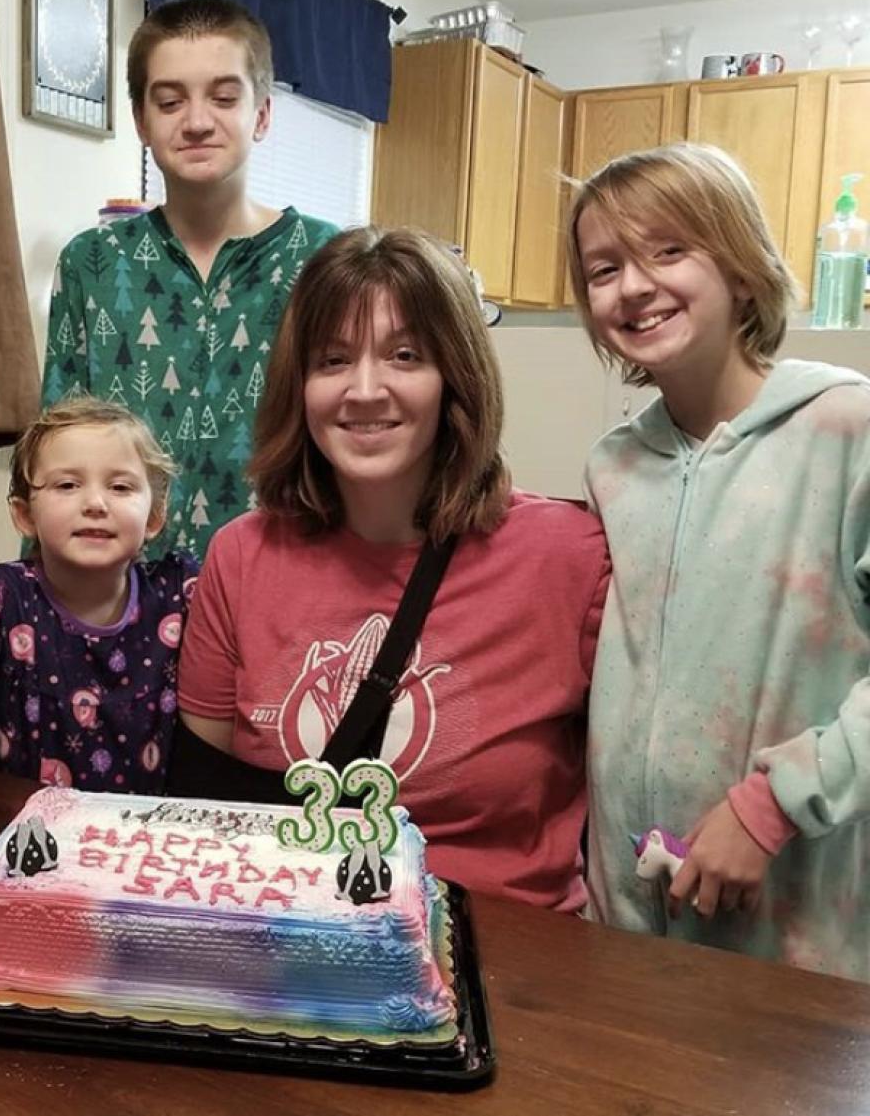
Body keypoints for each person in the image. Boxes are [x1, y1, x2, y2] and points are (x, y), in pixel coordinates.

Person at [176, 227, 610, 910]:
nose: (366, 389)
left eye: (406, 355)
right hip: (289, 951)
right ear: (301, 384)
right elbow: (203, 809)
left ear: (455, 376)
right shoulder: (241, 555)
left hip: (501, 969)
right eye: (333, 359)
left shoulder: (571, 557)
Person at [568, 141, 870, 981]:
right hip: (626, 926)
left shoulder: (848, 432)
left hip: (797, 937)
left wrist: (773, 803)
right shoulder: (611, 469)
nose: (633, 285)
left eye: (670, 250)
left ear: (741, 268)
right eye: (604, 268)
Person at [42, 0, 340, 557]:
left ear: (262, 114)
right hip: (116, 597)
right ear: (140, 121)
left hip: (282, 581)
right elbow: (56, 455)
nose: (198, 122)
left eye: (224, 97)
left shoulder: (326, 259)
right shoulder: (91, 262)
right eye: (171, 101)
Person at [0, 397, 198, 814]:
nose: (96, 503)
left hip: (141, 852)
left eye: (121, 486)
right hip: (14, 838)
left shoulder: (181, 594)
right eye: (67, 485)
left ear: (154, 517)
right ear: (24, 515)